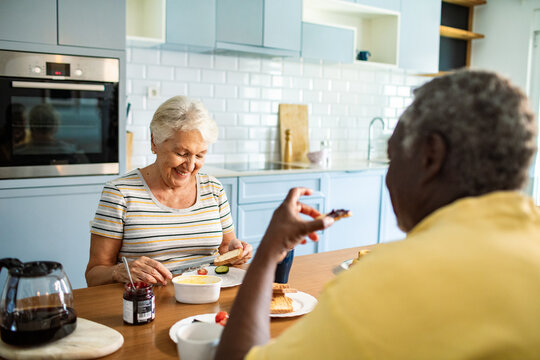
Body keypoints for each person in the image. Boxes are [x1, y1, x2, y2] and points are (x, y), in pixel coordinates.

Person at [216, 70, 540, 359]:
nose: (388, 177)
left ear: (430, 156)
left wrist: (269, 251)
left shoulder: (387, 283)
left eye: (392, 157)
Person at [85, 96, 252, 286]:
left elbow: (224, 248)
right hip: (149, 303)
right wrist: (119, 271)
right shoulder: (120, 194)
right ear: (154, 142)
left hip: (209, 296)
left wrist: (235, 252)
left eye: (199, 155)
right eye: (182, 154)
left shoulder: (213, 189)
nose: (190, 166)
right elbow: (93, 274)